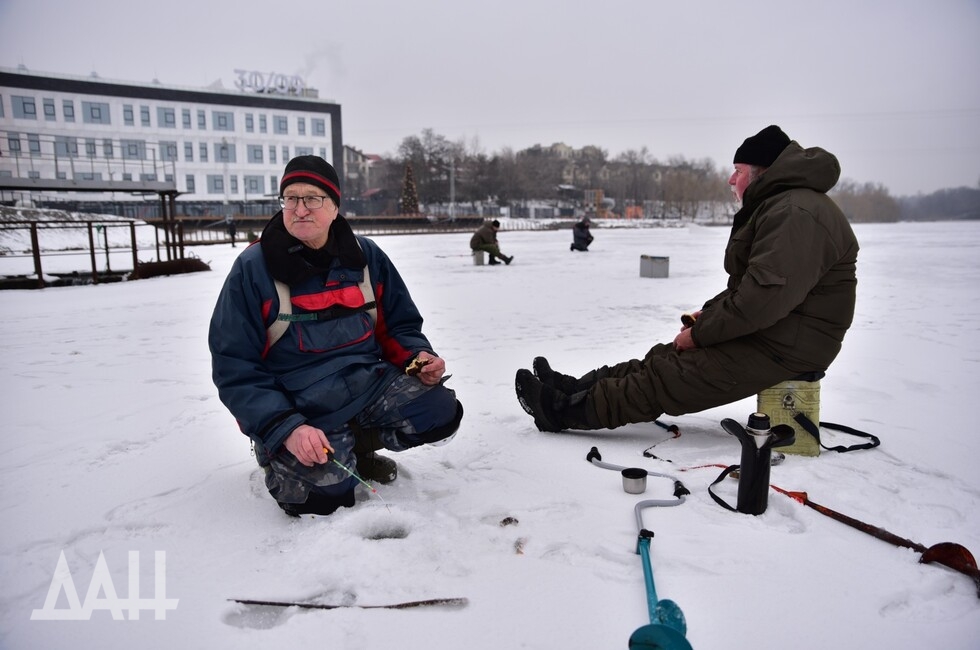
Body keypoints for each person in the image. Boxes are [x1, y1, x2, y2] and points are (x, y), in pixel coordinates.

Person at [515, 125, 859, 433]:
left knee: (669, 377)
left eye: (737, 171)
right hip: (776, 333)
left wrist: (701, 334)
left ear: (761, 172)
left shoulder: (794, 213)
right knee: (662, 358)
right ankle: (573, 388)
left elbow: (761, 301)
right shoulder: (785, 206)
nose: (730, 180)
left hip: (789, 346)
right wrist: (707, 319)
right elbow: (752, 290)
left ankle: (559, 411)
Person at [210, 155, 464, 517]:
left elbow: (399, 325)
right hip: (297, 404)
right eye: (291, 198)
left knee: (439, 410)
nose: (300, 209)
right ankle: (276, 450)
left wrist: (416, 357)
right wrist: (285, 428)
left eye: (312, 198)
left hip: (365, 384)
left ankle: (355, 446)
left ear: (334, 207)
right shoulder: (253, 269)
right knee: (324, 500)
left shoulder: (366, 256)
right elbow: (235, 366)